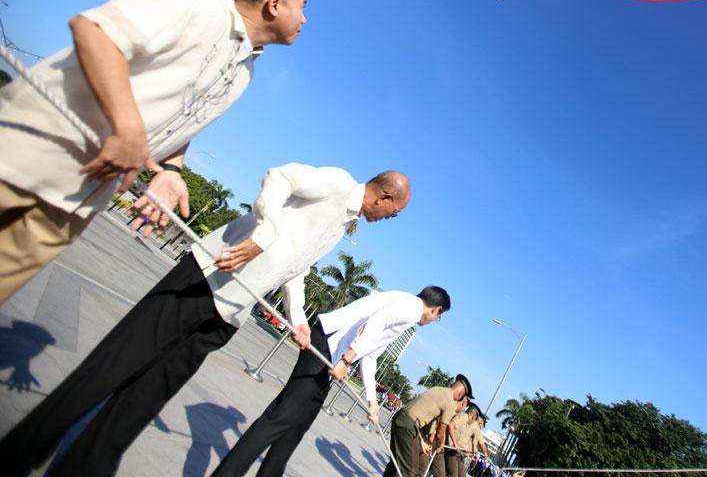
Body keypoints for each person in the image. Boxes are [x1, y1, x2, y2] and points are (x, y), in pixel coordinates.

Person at [0, 164, 410, 476]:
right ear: (385, 197)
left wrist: (297, 318)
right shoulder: (338, 185)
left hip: (229, 311)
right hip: (206, 278)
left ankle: (85, 468)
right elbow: (280, 176)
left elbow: (295, 266)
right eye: (394, 213)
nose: (389, 220)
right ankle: (24, 449)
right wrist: (263, 233)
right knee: (114, 365)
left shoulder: (342, 223)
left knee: (149, 395)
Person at [0, 0, 308, 303]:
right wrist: (128, 127)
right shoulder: (196, 8)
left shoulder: (246, 71)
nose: (304, 19)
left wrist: (172, 170)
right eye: (302, 6)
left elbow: (187, 120)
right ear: (275, 2)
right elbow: (94, 31)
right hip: (22, 158)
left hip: (75, 203)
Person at [212, 285, 451, 477]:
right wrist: (347, 360)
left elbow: (371, 356)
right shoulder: (410, 307)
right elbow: (376, 322)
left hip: (333, 355)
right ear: (436, 310)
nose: (432, 321)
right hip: (327, 346)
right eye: (437, 317)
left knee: (298, 426)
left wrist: (371, 401)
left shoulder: (405, 309)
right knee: (281, 416)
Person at [384, 374, 473, 477]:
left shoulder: (438, 389)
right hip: (408, 425)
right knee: (410, 472)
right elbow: (440, 434)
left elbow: (420, 418)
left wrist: (422, 441)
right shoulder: (450, 403)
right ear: (460, 394)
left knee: (394, 463)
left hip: (400, 416)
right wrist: (439, 446)